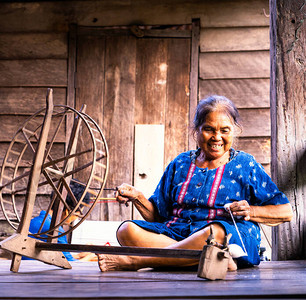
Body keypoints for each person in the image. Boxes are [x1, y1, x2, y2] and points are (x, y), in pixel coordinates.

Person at [97, 95, 293, 271]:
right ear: (196, 131)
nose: (217, 137)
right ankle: (209, 258)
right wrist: (138, 198)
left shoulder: (245, 164)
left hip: (226, 234)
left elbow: (285, 211)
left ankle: (138, 261)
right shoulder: (180, 164)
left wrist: (251, 211)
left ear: (234, 131)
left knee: (214, 234)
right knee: (127, 231)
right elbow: (159, 217)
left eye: (225, 130)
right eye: (209, 129)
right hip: (176, 235)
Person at [26, 179, 95, 261]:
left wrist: (79, 256)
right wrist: (89, 258)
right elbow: (70, 265)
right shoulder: (56, 231)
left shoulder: (33, 222)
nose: (77, 218)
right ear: (67, 212)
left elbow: (58, 256)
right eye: (77, 215)